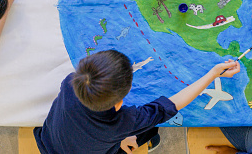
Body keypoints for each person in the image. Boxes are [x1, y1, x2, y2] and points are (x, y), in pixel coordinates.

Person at [34, 49, 240, 154]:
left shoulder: (71, 82)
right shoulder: (125, 121)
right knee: (149, 129)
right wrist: (213, 74)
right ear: (118, 105)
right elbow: (169, 106)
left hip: (50, 143)